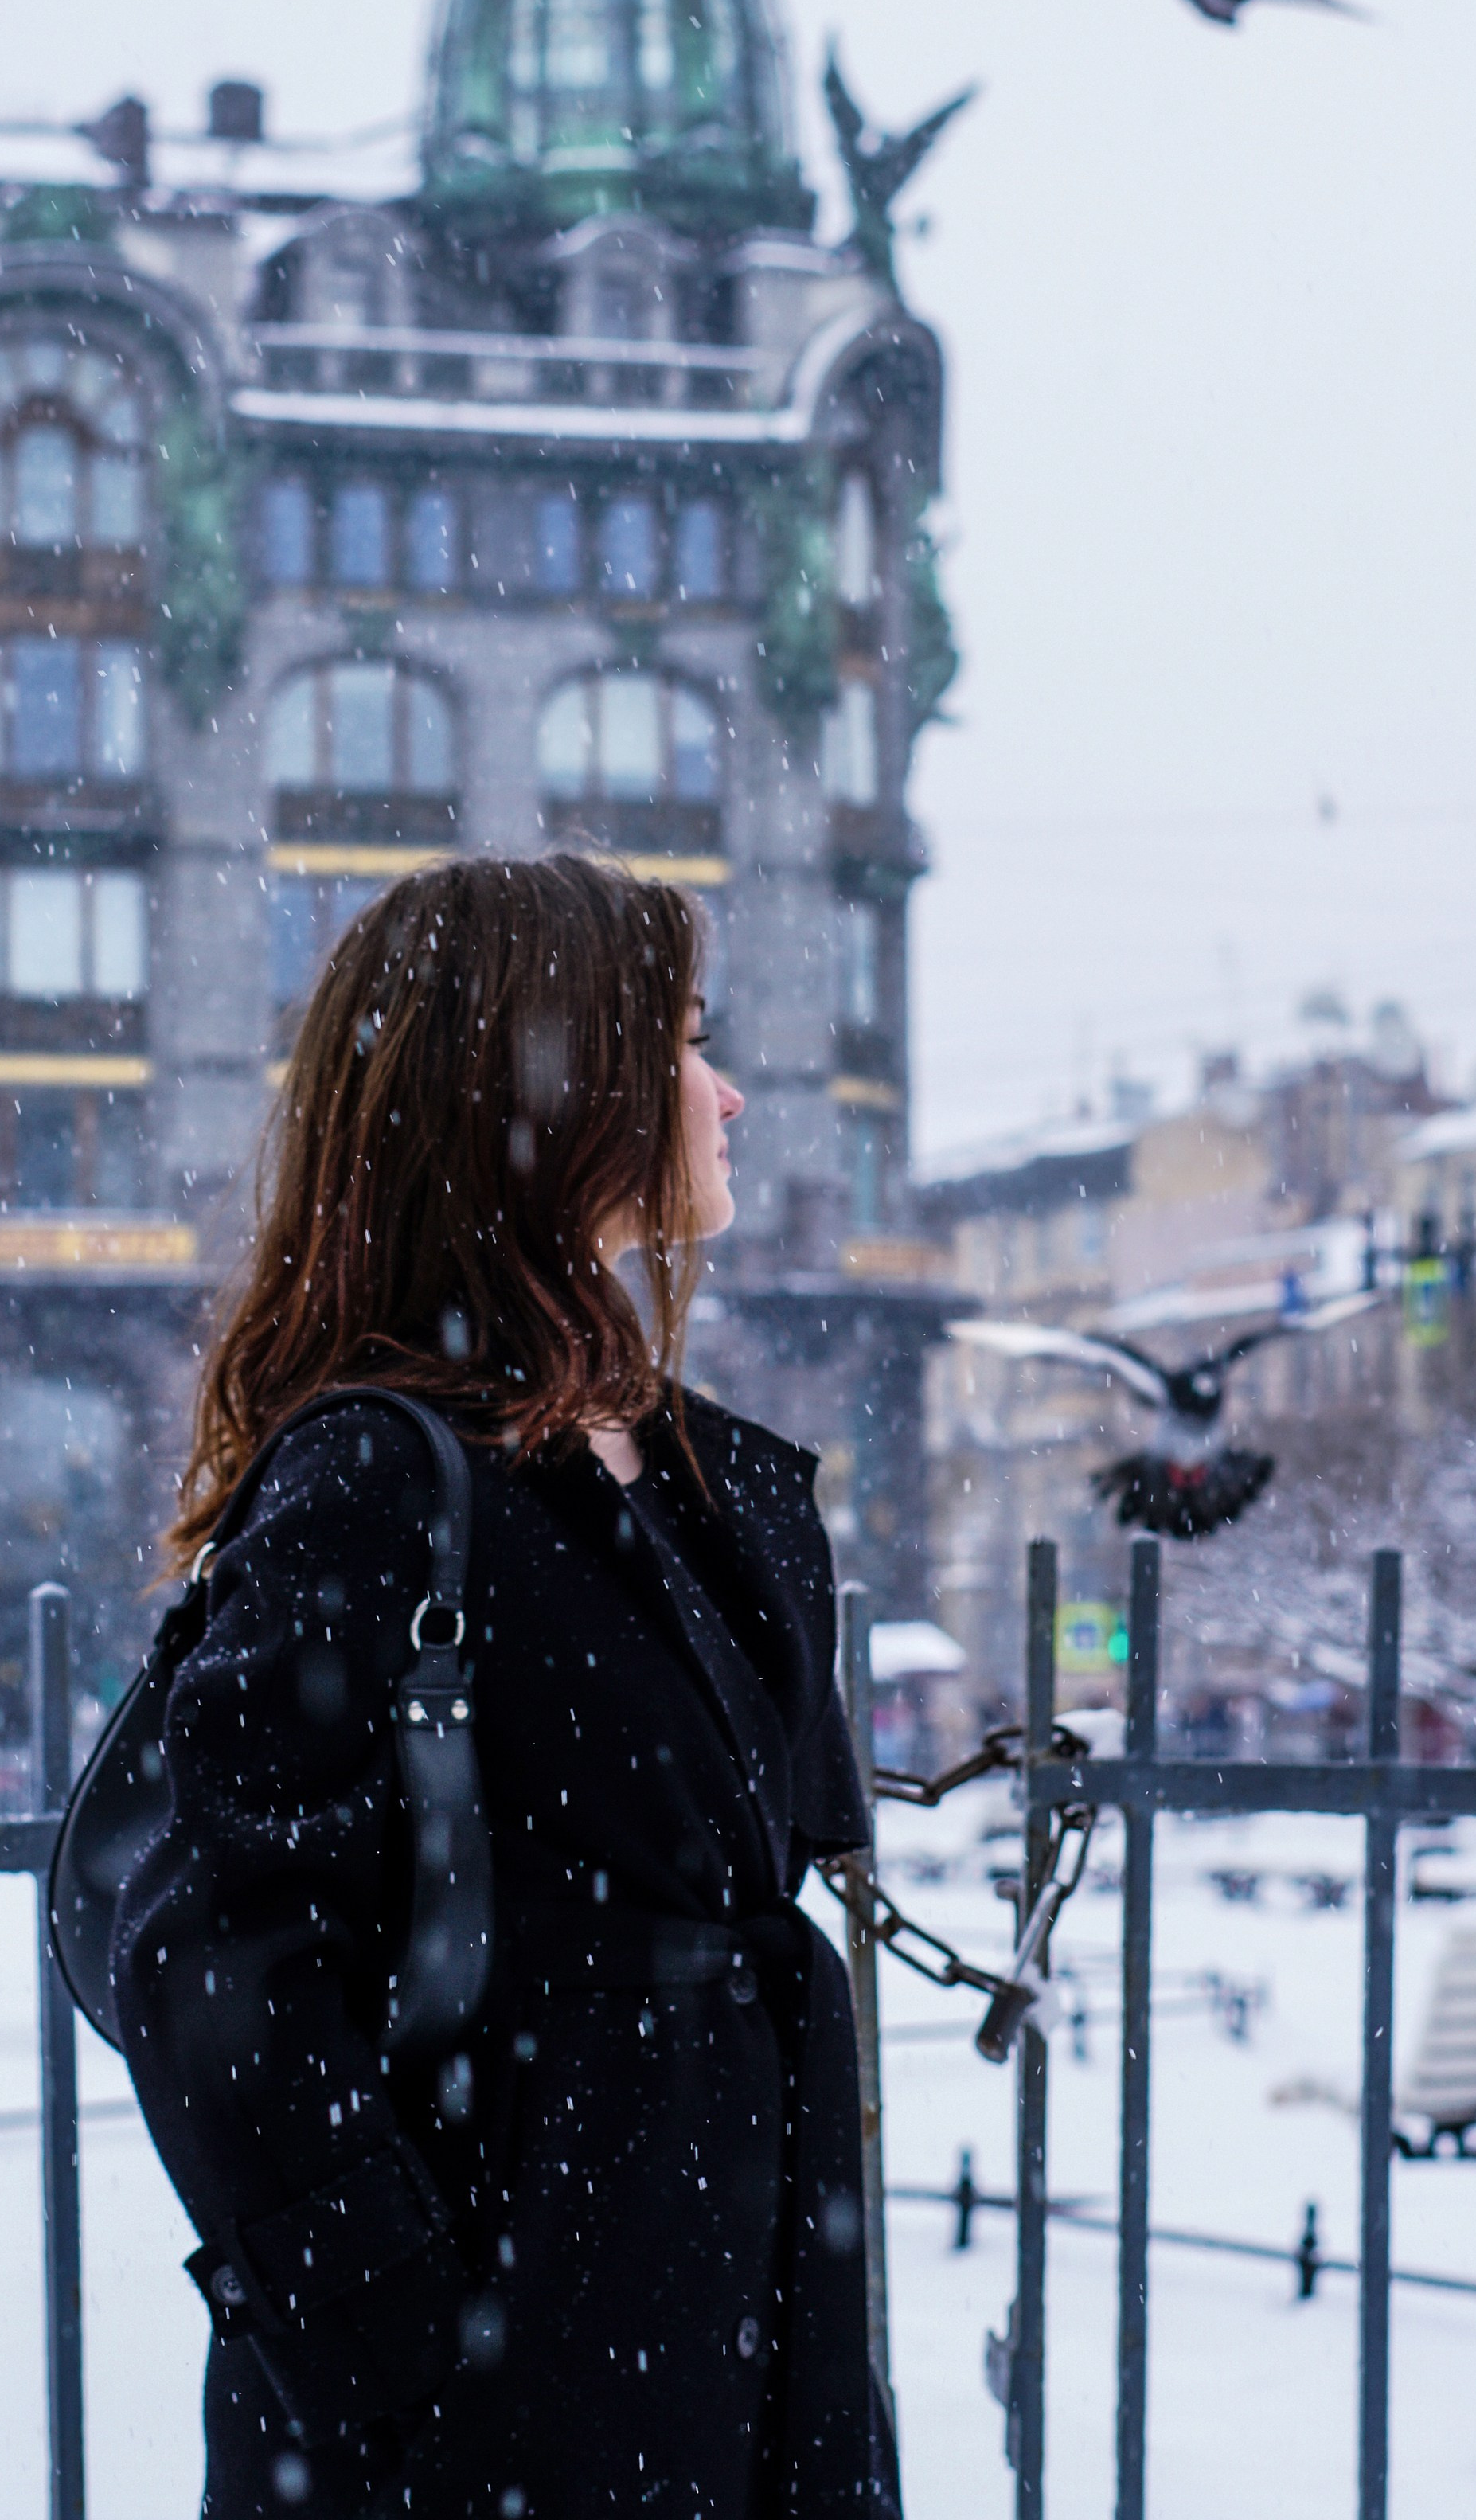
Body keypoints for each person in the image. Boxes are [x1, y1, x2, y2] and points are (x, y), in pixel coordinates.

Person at [111, 851, 900, 2520]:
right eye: (683, 1041)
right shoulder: (380, 1477)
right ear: (546, 1081)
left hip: (727, 2346)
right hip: (503, 2404)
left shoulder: (694, 1473)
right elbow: (215, 1958)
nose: (727, 1087)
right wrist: (404, 2347)